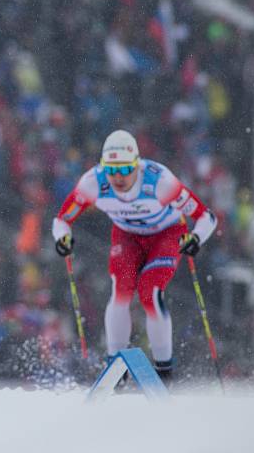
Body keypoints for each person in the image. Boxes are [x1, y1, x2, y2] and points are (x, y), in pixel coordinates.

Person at [51, 130, 217, 380]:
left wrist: (196, 238)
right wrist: (62, 239)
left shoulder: (160, 182)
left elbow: (207, 217)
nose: (118, 177)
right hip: (127, 236)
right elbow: (62, 219)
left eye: (126, 169)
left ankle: (163, 370)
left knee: (150, 291)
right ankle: (115, 366)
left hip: (166, 234)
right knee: (121, 291)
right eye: (111, 169)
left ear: (137, 166)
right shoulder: (93, 183)